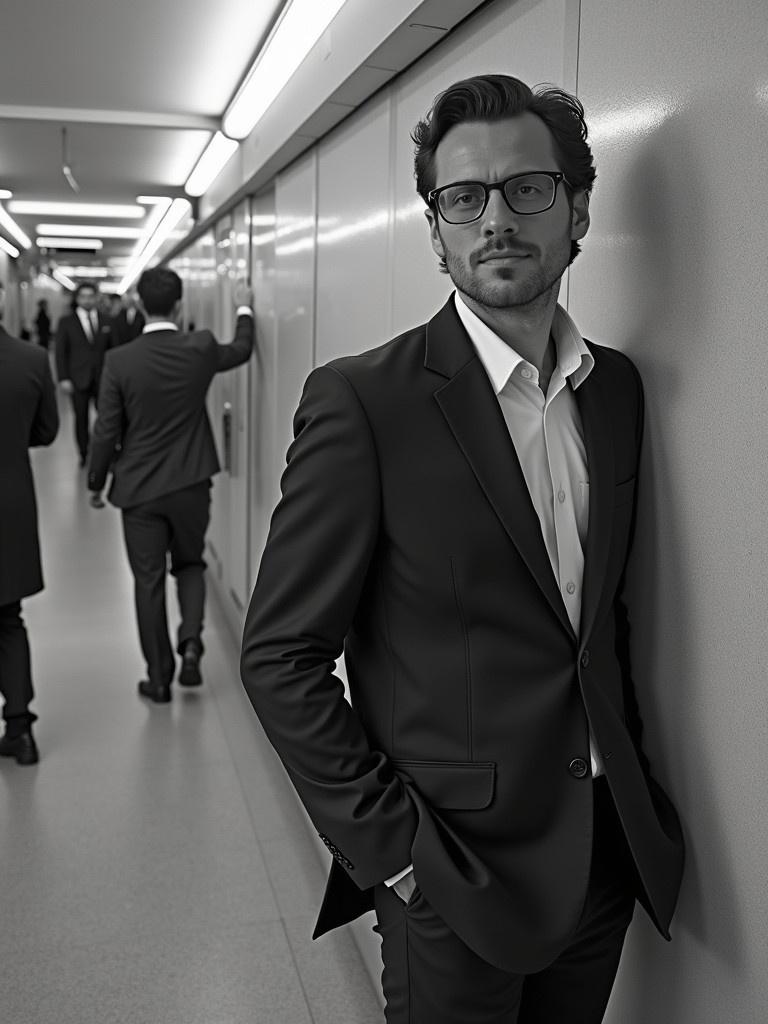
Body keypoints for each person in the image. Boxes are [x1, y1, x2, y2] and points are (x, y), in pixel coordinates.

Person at [239, 74, 685, 1023]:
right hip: (452, 870)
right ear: (436, 229)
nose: (497, 220)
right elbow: (281, 656)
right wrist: (397, 855)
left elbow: (598, 620)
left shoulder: (617, 395)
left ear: (577, 209)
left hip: (604, 853)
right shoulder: (366, 403)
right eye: (464, 198)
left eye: (528, 189)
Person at [87, 268, 254, 704]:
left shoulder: (119, 361)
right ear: (179, 306)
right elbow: (240, 349)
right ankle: (192, 643)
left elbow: (106, 430)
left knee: (148, 582)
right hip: (191, 482)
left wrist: (95, 481)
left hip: (138, 490)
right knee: (190, 564)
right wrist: (244, 306)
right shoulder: (198, 348)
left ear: (141, 305)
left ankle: (159, 679)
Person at [0, 281, 59, 765]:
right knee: (8, 619)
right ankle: (19, 730)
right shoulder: (32, 359)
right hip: (10, 504)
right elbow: (46, 432)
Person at [55, 281, 116, 466]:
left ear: (96, 297)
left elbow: (115, 351)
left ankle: (105, 452)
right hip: (77, 378)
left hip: (103, 378)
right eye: (83, 296)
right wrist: (63, 378)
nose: (87, 300)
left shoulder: (107, 321)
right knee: (80, 418)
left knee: (106, 417)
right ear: (77, 298)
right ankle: (84, 453)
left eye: (91, 296)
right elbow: (60, 352)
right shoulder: (66, 322)